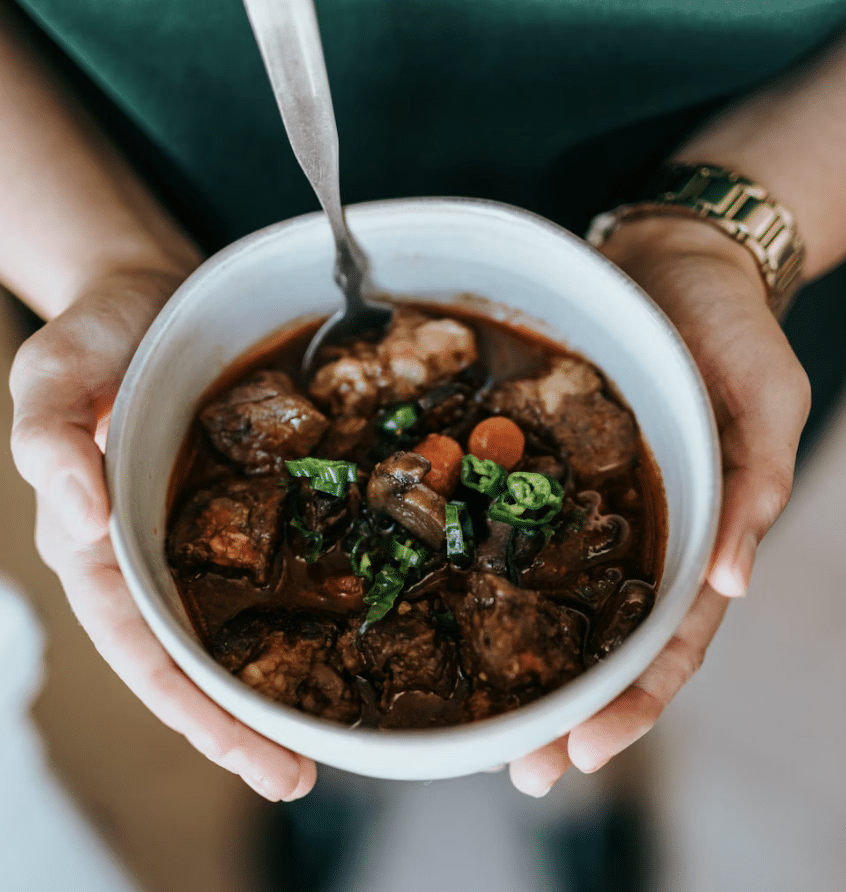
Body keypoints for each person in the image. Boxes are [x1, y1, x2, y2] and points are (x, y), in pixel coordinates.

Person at [2, 0, 845, 808]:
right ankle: (344, 779)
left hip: (703, 212)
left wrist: (728, 228)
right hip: (132, 171)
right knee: (294, 740)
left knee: (597, 717)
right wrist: (105, 260)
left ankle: (575, 792)